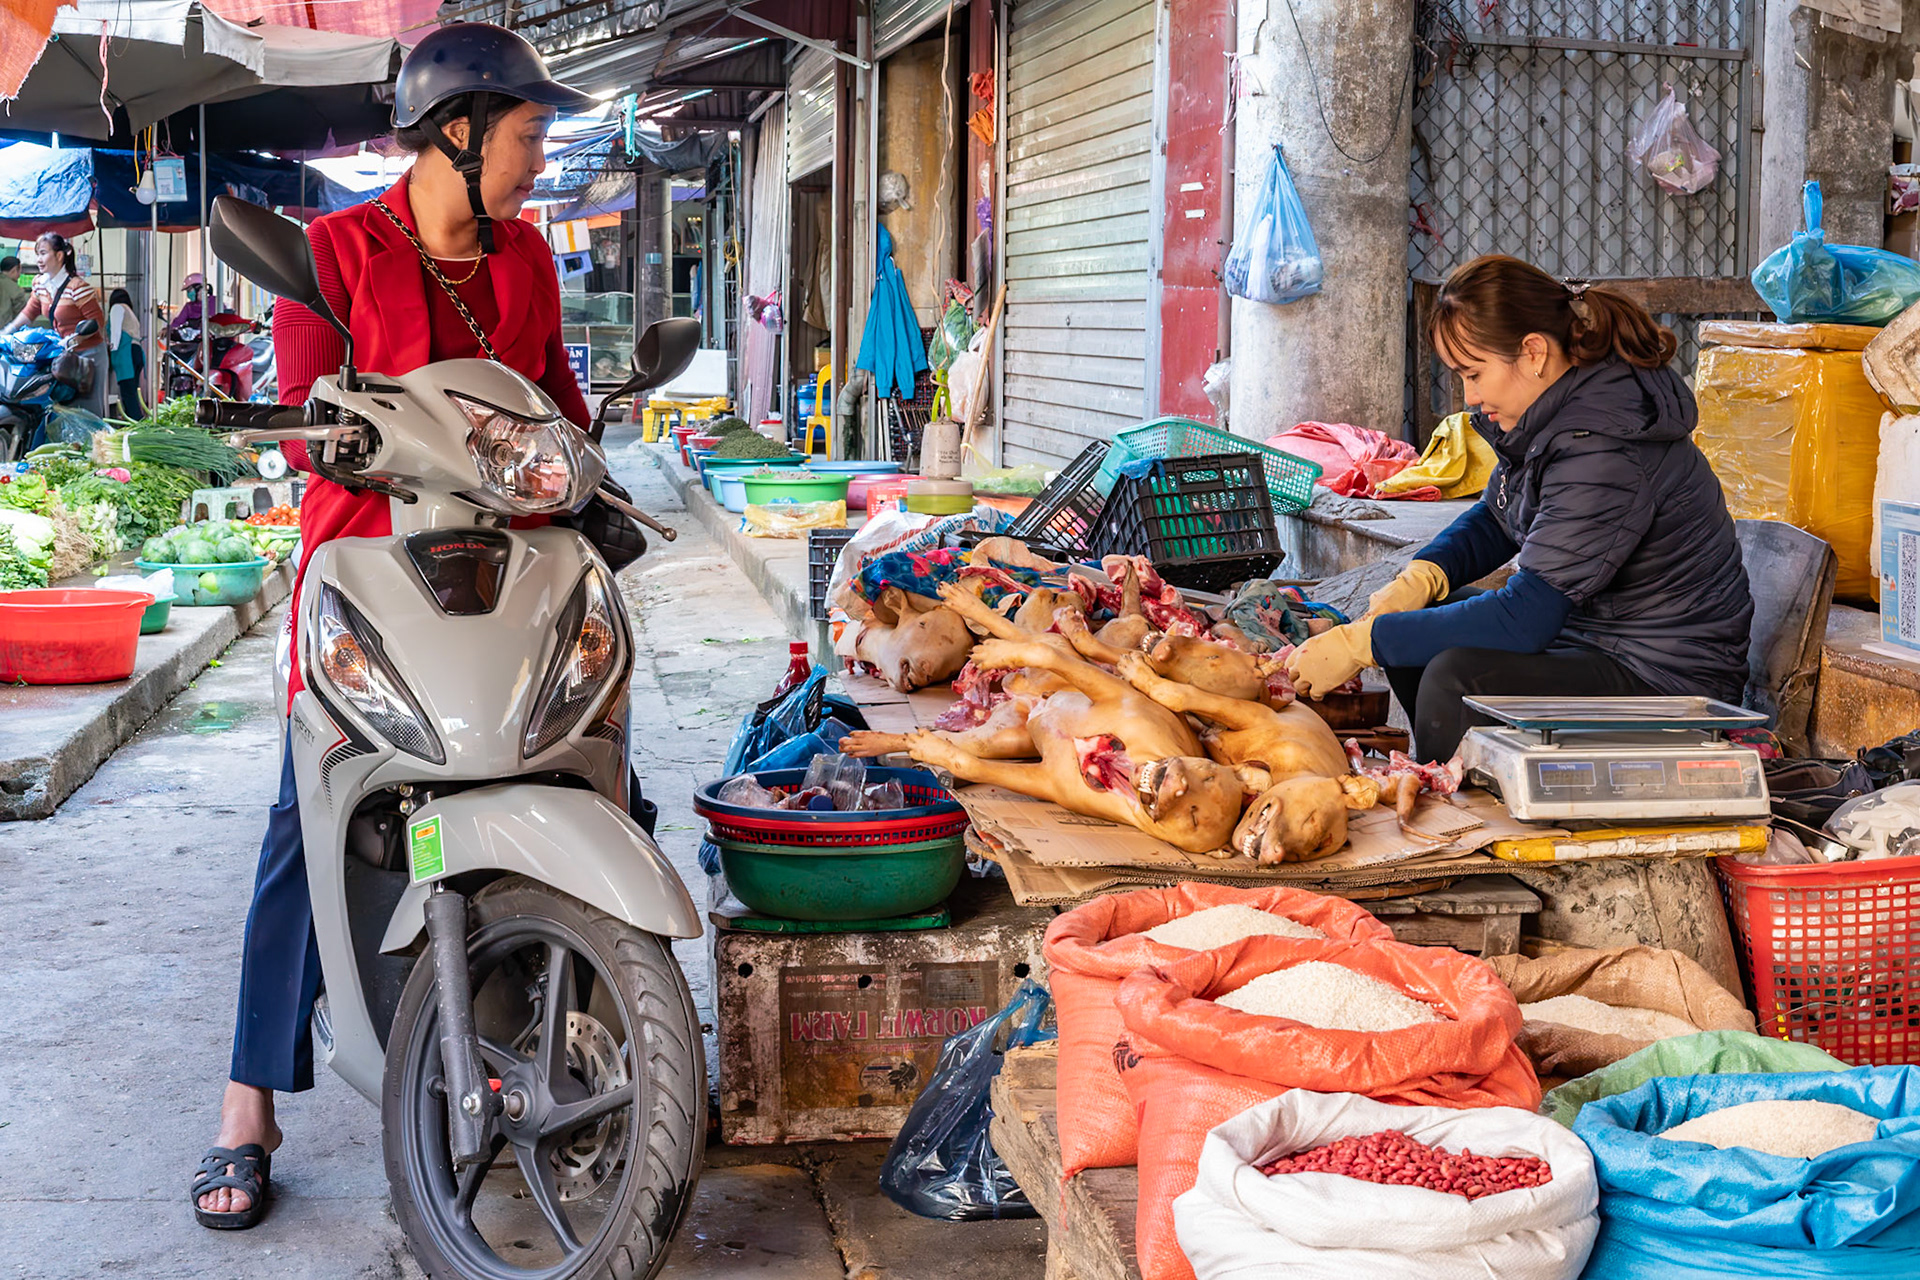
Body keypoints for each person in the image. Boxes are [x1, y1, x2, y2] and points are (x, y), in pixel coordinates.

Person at [189, 22, 596, 1231]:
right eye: (528, 137)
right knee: (302, 818)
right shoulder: (335, 251)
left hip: (509, 571)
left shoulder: (527, 261)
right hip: (367, 571)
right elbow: (319, 428)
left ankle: (601, 1027)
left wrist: (588, 464)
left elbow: (559, 403)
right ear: (459, 131)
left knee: (593, 762)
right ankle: (245, 1102)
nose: (538, 162)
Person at [1285, 254, 1754, 762]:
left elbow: (1524, 618)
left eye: (1475, 372)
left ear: (1532, 352)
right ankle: (1450, 780)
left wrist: (1366, 642)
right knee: (1426, 622)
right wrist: (1423, 575)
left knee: (1453, 674)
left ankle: (1454, 814)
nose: (1469, 395)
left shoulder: (1605, 448)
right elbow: (1497, 517)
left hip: (1667, 680)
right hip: (1596, 639)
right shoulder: (1556, 418)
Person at [0, 232, 109, 431]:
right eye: (37, 254)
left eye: (43, 253)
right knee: (60, 408)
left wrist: (74, 338)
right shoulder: (40, 284)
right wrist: (5, 332)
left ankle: (92, 453)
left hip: (87, 355)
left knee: (87, 411)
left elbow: (97, 322)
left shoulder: (78, 287)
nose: (38, 259)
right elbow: (28, 313)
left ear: (59, 256)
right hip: (61, 354)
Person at [107, 287, 146, 419]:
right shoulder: (131, 312)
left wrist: (111, 349)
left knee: (128, 393)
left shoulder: (117, 308)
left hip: (125, 353)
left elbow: (116, 332)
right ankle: (136, 420)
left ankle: (136, 421)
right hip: (136, 351)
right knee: (133, 391)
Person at [0, 256, 25, 328]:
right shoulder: (16, 290)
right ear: (14, 270)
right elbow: (21, 316)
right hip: (4, 332)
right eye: (19, 271)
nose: (19, 275)